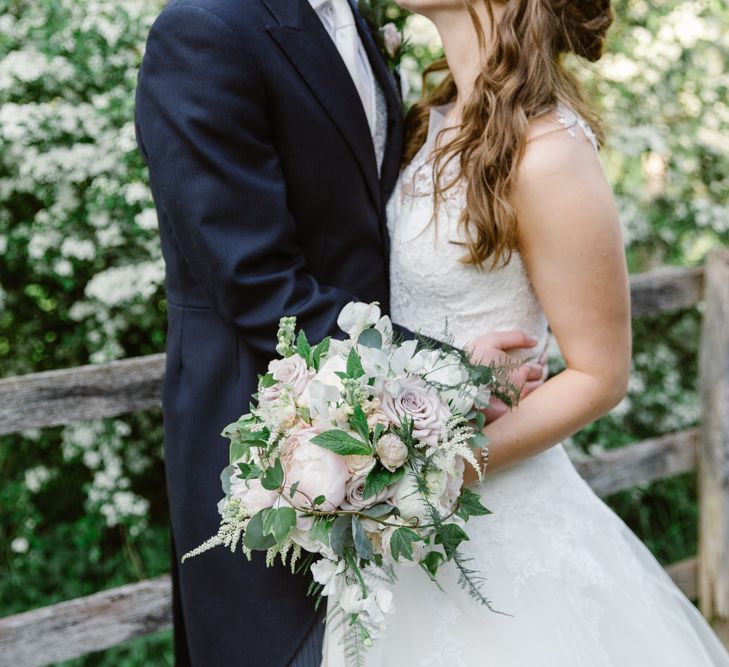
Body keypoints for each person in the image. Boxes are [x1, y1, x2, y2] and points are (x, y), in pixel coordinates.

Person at [134, 0, 545, 664]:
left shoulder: (352, 16)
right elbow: (255, 283)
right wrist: (452, 373)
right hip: (265, 438)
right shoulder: (203, 30)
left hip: (386, 444)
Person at [319, 1, 729, 665]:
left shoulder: (547, 154)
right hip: (397, 528)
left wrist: (442, 469)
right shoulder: (427, 121)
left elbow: (600, 374)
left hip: (496, 521)